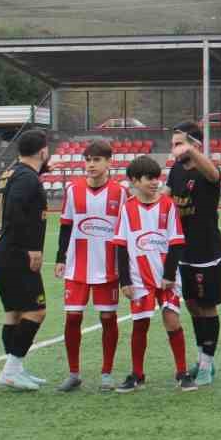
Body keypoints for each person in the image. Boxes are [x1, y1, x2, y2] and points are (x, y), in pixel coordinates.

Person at [113, 155, 194, 393]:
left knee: (172, 320)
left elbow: (176, 242)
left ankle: (182, 372)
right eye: (149, 178)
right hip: (139, 278)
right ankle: (137, 374)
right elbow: (120, 246)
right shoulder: (127, 208)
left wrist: (169, 275)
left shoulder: (168, 205)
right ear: (134, 181)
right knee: (140, 324)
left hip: (166, 276)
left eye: (156, 178)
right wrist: (125, 281)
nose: (155, 182)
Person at [53, 138, 125, 392]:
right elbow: (66, 226)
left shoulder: (120, 192)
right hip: (77, 266)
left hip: (108, 267)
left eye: (96, 160)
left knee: (107, 317)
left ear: (109, 163)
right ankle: (74, 373)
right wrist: (60, 258)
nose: (91, 164)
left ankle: (106, 374)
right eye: (88, 160)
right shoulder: (73, 190)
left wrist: (125, 267)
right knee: (73, 317)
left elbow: (124, 231)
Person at [0, 129, 51, 391]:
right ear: (43, 151)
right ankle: (11, 370)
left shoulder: (14, 172)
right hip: (16, 253)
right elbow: (16, 210)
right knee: (36, 310)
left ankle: (14, 368)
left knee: (14, 312)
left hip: (2, 251)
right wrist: (32, 248)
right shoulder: (27, 177)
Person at [166, 121, 221, 385]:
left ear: (195, 145)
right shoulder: (176, 170)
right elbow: (165, 199)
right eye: (173, 144)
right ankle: (202, 357)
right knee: (191, 304)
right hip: (182, 251)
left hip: (206, 250)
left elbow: (213, 175)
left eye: (179, 144)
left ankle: (207, 364)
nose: (174, 149)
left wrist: (190, 149)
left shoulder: (207, 169)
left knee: (207, 306)